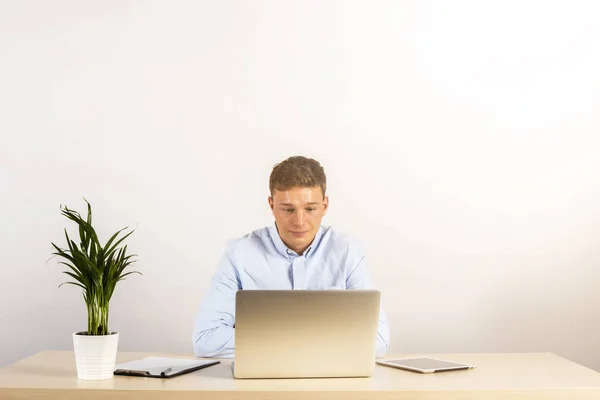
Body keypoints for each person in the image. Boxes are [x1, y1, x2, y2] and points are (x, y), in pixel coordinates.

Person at [192, 156, 390, 358]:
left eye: (310, 209)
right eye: (288, 209)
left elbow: (378, 340)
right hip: (260, 384)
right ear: (271, 205)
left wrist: (258, 340)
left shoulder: (347, 252)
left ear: (325, 206)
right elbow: (206, 339)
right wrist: (325, 342)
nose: (299, 221)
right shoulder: (239, 253)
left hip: (329, 384)